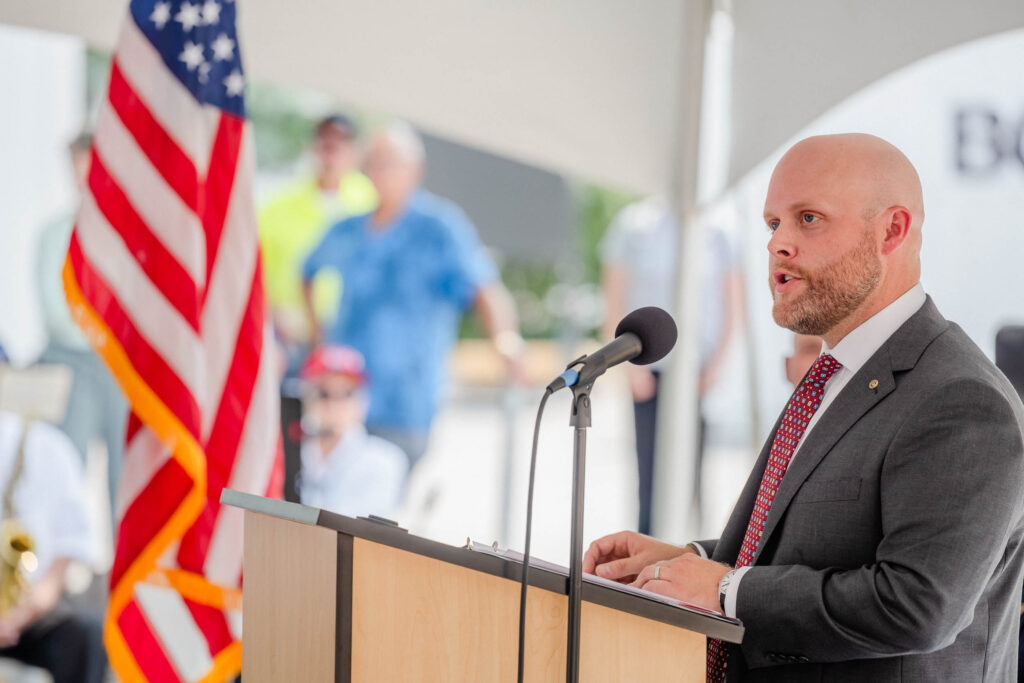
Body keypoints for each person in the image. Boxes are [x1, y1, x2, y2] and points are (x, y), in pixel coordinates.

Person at [583, 133, 1024, 682]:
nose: (777, 245)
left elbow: (916, 605)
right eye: (772, 224)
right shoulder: (834, 374)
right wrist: (683, 562)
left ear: (893, 230)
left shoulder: (960, 399)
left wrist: (721, 589)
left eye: (808, 219)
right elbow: (815, 543)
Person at [302, 122, 522, 467]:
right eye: (373, 162)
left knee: (379, 511)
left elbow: (485, 288)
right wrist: (319, 339)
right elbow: (308, 272)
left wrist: (506, 339)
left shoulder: (439, 227)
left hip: (405, 403)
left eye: (390, 161)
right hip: (343, 401)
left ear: (415, 169)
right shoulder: (348, 229)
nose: (380, 171)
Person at [600, 197, 742, 534]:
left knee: (692, 477)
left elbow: (733, 302)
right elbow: (614, 298)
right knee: (649, 476)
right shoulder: (633, 223)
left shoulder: (722, 225)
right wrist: (630, 368)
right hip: (647, 370)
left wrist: (717, 367)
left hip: (697, 372)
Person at [0, 346, 107, 683]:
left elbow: (66, 550)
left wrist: (21, 613)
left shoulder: (48, 447)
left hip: (28, 609)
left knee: (85, 636)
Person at [35, 131, 127, 518]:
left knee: (126, 474)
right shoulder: (56, 234)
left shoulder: (129, 234)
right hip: (74, 363)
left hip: (121, 366)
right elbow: (57, 313)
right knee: (67, 464)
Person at [258, 114, 378, 378]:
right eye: (324, 141)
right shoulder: (277, 206)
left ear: (355, 151)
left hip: (354, 341)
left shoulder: (373, 204)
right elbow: (257, 272)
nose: (331, 150)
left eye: (341, 142)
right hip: (291, 341)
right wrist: (276, 317)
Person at [296, 345, 408, 518]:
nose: (334, 404)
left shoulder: (384, 461)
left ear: (363, 401)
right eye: (323, 393)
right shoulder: (287, 452)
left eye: (347, 393)